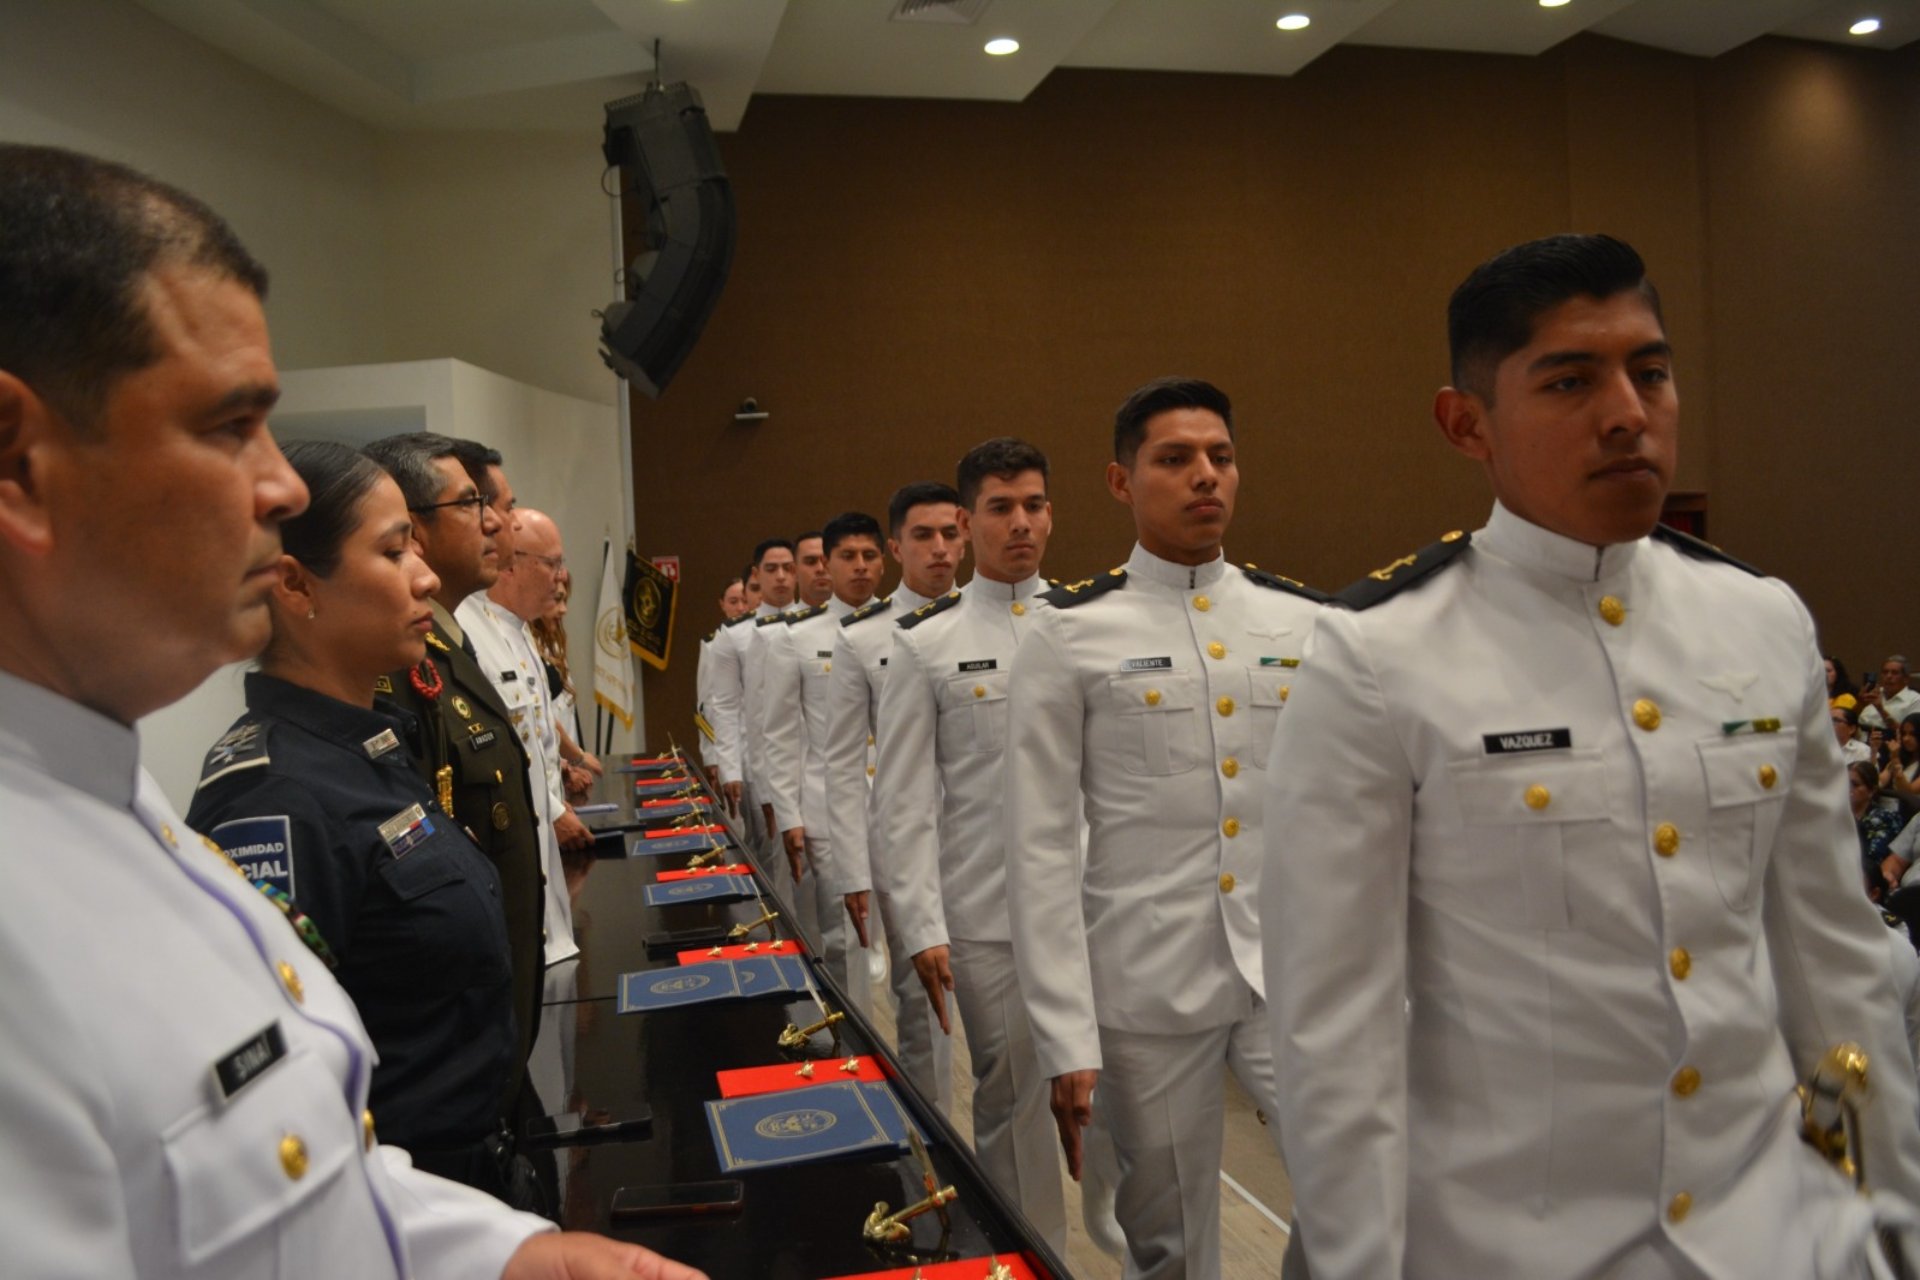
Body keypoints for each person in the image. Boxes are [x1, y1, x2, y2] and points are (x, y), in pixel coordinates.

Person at [0, 141, 699, 1280]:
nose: (278, 489)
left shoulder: (105, 799)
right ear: (18, 459)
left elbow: (293, 1177)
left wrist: (512, 1255)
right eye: (231, 427)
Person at [1263, 232, 1920, 1279]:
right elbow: (1337, 1042)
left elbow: (1836, 975)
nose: (1627, 411)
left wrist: (1871, 1214)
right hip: (1506, 1244)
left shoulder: (1760, 621)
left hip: (1769, 1236)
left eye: (1650, 371)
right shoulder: (1382, 655)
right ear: (1465, 423)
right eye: (1570, 380)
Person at [1003, 379, 1325, 1279]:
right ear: (1120, 480)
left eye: (1220, 457)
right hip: (1146, 985)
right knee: (1175, 1241)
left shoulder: (1301, 623)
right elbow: (1037, 847)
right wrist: (1067, 1036)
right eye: (1175, 459)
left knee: (1361, 1191)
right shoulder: (1071, 638)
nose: (1204, 477)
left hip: (1290, 971)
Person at [188, 440, 528, 1200]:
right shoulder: (269, 799)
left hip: (475, 1185)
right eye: (394, 550)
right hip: (399, 1209)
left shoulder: (372, 744)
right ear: (298, 587)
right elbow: (280, 1105)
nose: (426, 575)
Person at [874, 438, 1067, 1252]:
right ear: (966, 520)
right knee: (1013, 1104)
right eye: (1000, 508)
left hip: (1099, 911)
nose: (1020, 523)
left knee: (1128, 1120)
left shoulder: (1089, 623)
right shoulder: (926, 643)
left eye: (1034, 505)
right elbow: (903, 800)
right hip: (989, 914)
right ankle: (1024, 1261)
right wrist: (922, 927)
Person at [365, 431, 558, 1052]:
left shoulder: (450, 647)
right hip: (459, 1026)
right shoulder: (398, 669)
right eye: (473, 505)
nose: (496, 523)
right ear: (416, 531)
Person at [823, 482, 966, 1115]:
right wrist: (853, 872)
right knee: (923, 1010)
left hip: (989, 842)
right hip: (909, 848)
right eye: (922, 536)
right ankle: (935, 1154)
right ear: (896, 547)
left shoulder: (999, 620)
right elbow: (843, 760)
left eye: (949, 533)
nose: (940, 549)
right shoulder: (864, 638)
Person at [762, 511, 887, 1011]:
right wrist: (789, 814)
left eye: (869, 556)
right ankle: (855, 1047)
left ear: (885, 560)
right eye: (847, 557)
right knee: (845, 938)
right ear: (826, 567)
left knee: (907, 941)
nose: (859, 567)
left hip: (899, 803)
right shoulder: (795, 636)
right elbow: (780, 731)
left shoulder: (905, 626)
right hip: (828, 804)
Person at [459, 500, 594, 963]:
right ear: (514, 564)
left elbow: (535, 745)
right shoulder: (468, 632)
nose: (562, 577)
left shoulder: (520, 633)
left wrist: (556, 803)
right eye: (553, 563)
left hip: (544, 878)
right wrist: (554, 809)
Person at [1855, 761, 1907, 899]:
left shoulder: (1884, 818)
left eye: (1855, 784)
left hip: (1865, 878)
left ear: (1871, 790)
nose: (1848, 789)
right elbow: (1897, 859)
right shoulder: (1833, 815)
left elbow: (1873, 860)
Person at [1861, 655, 1920, 732]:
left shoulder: (1915, 700)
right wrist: (1860, 703)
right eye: (1885, 672)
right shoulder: (1875, 693)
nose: (1888, 676)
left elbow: (1909, 735)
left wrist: (1880, 709)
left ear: (1905, 678)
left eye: (1894, 673)